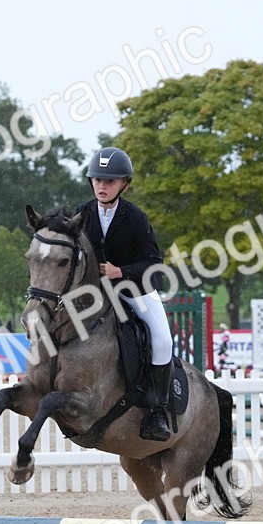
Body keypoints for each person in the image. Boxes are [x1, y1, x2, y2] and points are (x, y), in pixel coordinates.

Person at [76, 146, 174, 442]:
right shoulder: (80, 214)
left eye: (110, 181)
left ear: (124, 184)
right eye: (98, 180)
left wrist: (122, 272)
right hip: (91, 294)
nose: (102, 186)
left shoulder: (135, 218)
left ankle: (157, 410)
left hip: (133, 290)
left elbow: (154, 265)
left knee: (163, 340)